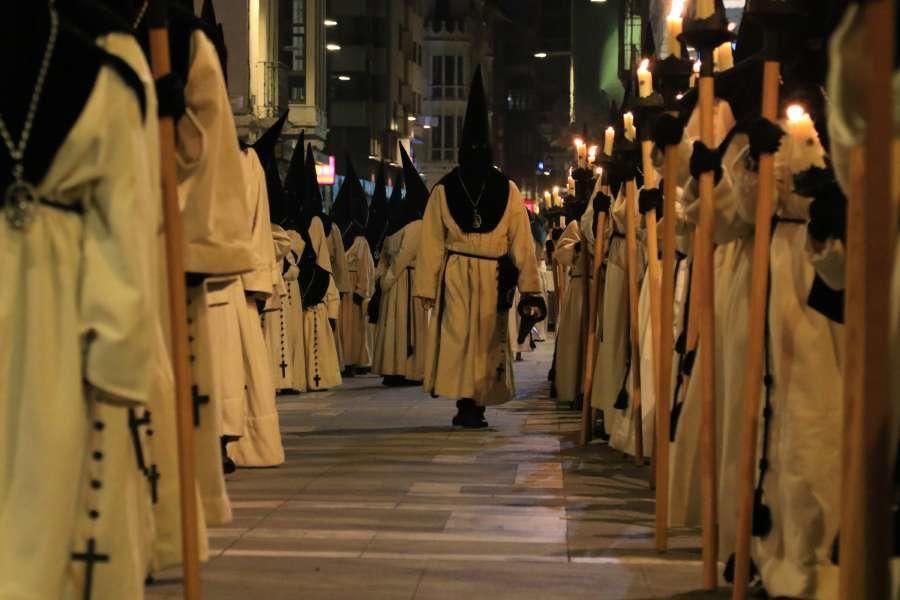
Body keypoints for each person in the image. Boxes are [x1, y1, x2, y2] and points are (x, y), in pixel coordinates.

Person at [414, 66, 545, 428]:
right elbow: (523, 243)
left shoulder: (444, 188)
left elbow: (431, 242)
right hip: (491, 273)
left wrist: (426, 286)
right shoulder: (508, 188)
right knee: (483, 339)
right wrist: (530, 287)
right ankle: (476, 401)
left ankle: (466, 400)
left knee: (461, 337)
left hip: (458, 273)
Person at [373, 143, 431, 385]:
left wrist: (383, 278)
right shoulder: (417, 225)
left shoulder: (399, 223)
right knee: (402, 326)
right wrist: (386, 277)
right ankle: (403, 370)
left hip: (397, 282)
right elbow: (402, 255)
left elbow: (390, 255)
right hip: (404, 281)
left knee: (396, 326)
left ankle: (398, 369)